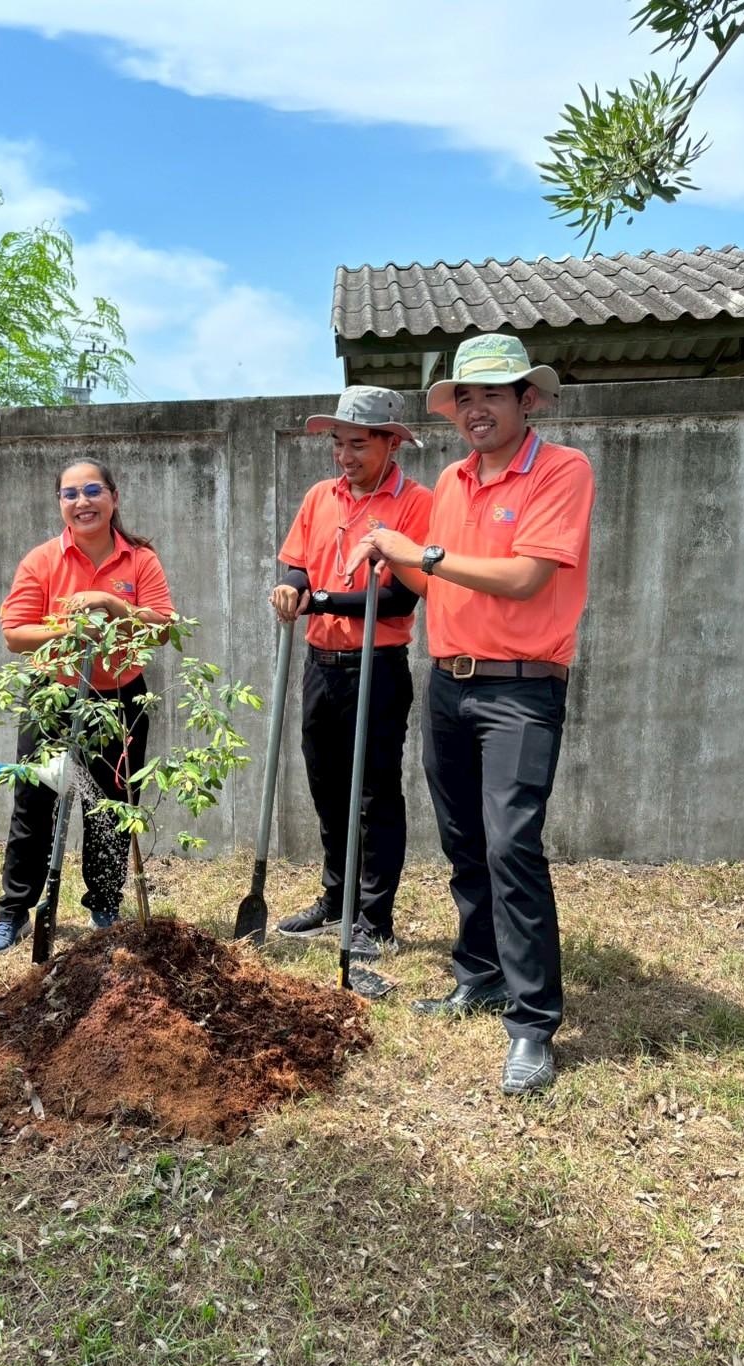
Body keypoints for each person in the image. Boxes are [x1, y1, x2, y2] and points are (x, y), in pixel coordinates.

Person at [343, 333, 595, 1094]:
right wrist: (392, 558)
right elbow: (435, 586)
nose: (475, 409)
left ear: (528, 399)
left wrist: (423, 555)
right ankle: (479, 973)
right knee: (464, 841)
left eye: (493, 394)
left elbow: (521, 577)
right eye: (464, 397)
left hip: (521, 688)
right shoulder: (452, 480)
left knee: (513, 843)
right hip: (449, 683)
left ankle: (531, 1025)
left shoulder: (562, 470)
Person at [270, 386, 433, 958]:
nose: (345, 455)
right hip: (320, 664)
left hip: (377, 664)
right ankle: (335, 899)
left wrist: (320, 600)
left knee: (374, 794)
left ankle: (374, 918)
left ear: (391, 443)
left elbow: (397, 602)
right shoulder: (320, 497)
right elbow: (296, 565)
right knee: (328, 787)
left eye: (358, 444)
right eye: (338, 443)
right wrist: (291, 592)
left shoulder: (416, 503)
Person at [0, 458, 173, 950]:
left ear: (113, 497)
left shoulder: (139, 561)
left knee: (109, 805)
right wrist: (71, 630)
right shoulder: (42, 560)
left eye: (92, 490)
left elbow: (163, 626)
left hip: (119, 697)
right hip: (54, 698)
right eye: (70, 494)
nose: (82, 501)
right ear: (60, 504)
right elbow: (14, 634)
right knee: (35, 801)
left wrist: (114, 606)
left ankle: (104, 905)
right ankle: (15, 911)